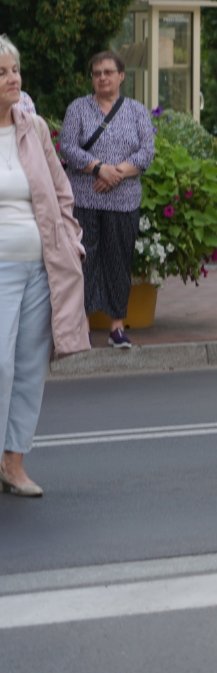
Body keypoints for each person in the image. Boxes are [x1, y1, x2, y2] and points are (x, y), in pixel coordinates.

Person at [0, 36, 91, 497]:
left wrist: (70, 240)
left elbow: (61, 191)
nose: (12, 79)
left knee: (30, 365)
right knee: (0, 365)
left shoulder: (32, 129)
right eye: (2, 73)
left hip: (41, 266)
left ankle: (13, 463)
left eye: (14, 70)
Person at [59, 51, 155, 349]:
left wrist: (117, 173)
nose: (102, 77)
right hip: (85, 199)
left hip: (123, 200)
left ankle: (116, 327)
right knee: (83, 262)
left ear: (121, 76)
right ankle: (82, 326)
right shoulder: (78, 108)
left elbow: (146, 152)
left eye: (108, 72)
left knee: (118, 261)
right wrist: (99, 168)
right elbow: (68, 147)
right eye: (97, 73)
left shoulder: (137, 110)